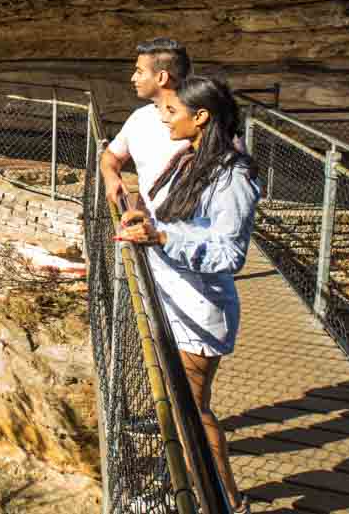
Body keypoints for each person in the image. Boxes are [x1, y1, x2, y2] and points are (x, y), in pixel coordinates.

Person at [114, 75, 259, 514]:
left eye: (172, 112)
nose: (164, 118)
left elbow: (230, 253)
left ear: (200, 117)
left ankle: (228, 503)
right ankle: (196, 489)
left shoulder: (231, 175)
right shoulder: (191, 156)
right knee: (181, 409)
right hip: (173, 298)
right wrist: (143, 217)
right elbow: (179, 219)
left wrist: (161, 240)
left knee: (194, 413)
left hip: (199, 308)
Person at [100, 38, 192, 215]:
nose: (133, 77)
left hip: (192, 236)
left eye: (139, 71)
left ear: (161, 77)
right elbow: (111, 155)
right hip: (148, 228)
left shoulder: (202, 123)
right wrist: (111, 177)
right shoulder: (140, 118)